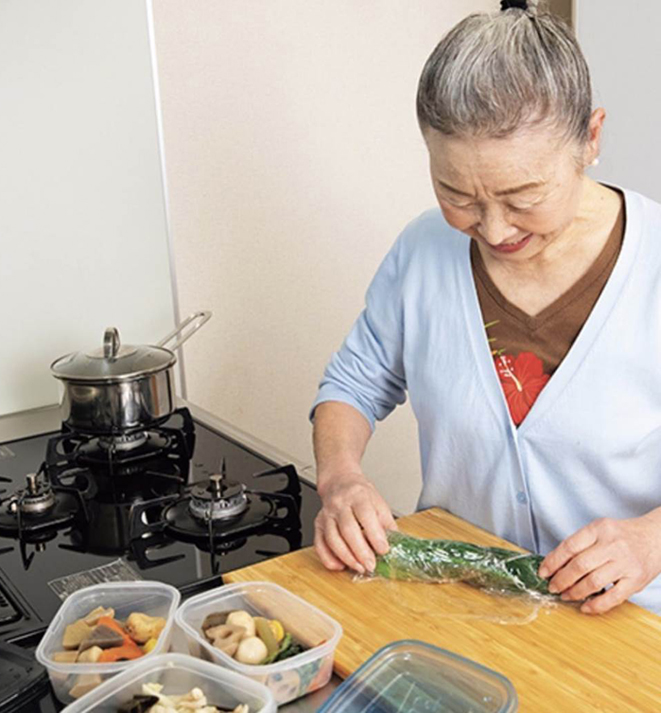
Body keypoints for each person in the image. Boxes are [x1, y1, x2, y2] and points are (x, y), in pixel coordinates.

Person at [310, 0, 661, 615]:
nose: (495, 229)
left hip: (631, 631)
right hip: (463, 612)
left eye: (524, 195)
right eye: (456, 193)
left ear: (592, 138)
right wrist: (341, 478)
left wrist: (652, 541)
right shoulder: (423, 249)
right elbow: (352, 384)